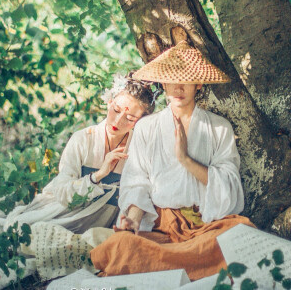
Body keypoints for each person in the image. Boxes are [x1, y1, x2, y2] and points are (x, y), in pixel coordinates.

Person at [0, 75, 156, 289]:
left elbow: (140, 190)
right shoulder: (84, 139)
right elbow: (60, 191)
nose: (119, 120)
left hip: (94, 223)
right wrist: (97, 175)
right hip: (60, 211)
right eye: (117, 108)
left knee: (52, 252)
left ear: (141, 120)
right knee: (8, 233)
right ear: (110, 101)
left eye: (131, 117)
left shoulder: (139, 147)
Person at [91, 41, 254, 282]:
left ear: (198, 84)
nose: (178, 87)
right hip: (162, 230)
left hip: (204, 226)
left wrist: (185, 159)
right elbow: (137, 182)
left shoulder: (219, 127)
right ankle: (191, 268)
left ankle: (175, 270)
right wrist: (132, 221)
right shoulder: (147, 127)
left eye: (186, 80)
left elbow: (228, 184)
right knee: (120, 245)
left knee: (241, 234)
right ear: (162, 82)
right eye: (171, 79)